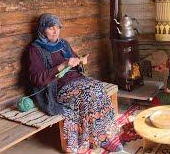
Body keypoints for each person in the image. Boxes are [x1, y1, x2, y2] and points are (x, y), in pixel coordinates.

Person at [28, 13, 123, 153]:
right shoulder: (35, 50)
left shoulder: (63, 44)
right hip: (57, 88)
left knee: (98, 87)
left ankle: (106, 135)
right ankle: (97, 139)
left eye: (57, 27)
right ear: (42, 29)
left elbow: (74, 62)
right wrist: (62, 65)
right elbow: (36, 78)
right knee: (88, 95)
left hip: (77, 80)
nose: (55, 31)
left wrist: (80, 61)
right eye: (51, 28)